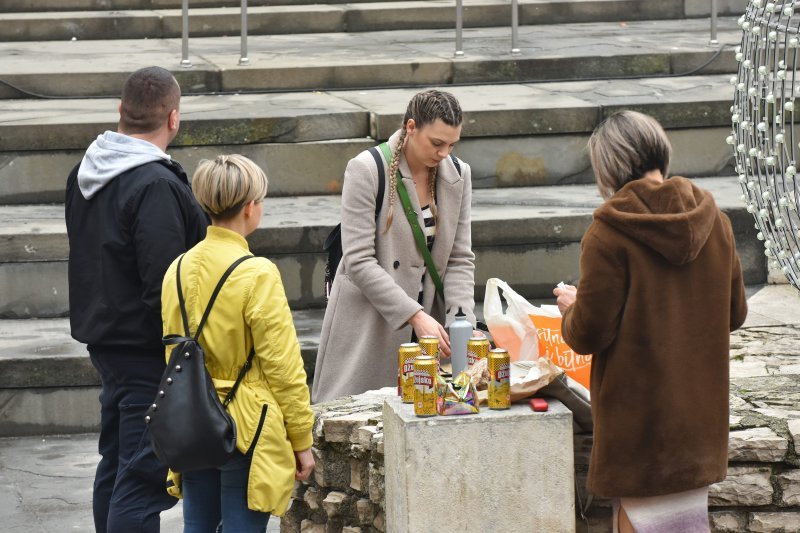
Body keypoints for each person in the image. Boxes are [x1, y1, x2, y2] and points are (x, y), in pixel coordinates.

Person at [553, 111, 748, 533]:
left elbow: (588, 334)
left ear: (608, 166)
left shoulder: (608, 233)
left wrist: (571, 307)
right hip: (698, 426)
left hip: (639, 429)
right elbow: (735, 314)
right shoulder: (716, 220)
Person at [65, 66, 209, 532]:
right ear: (173, 119)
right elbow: (167, 286)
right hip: (148, 352)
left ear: (121, 112)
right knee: (143, 479)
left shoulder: (85, 172)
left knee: (118, 464)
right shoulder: (155, 185)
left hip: (107, 342)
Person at [161, 154, 315, 532]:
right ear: (250, 208)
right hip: (245, 424)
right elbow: (283, 366)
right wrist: (301, 438)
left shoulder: (176, 269)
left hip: (192, 419)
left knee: (196, 526)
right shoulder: (257, 273)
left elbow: (173, 353)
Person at [312, 89, 477, 403]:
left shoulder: (459, 174)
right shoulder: (366, 168)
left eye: (452, 144)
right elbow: (359, 261)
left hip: (432, 328)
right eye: (436, 143)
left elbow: (459, 258)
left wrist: (462, 322)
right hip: (372, 325)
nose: (444, 153)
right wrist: (413, 315)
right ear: (411, 128)